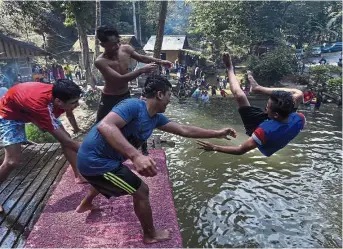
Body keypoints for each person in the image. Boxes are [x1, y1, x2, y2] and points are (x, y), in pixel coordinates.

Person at [76, 75, 236, 243]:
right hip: (95, 162)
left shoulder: (156, 118)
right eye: (169, 95)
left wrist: (218, 132)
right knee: (142, 191)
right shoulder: (133, 106)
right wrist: (136, 156)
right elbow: (105, 125)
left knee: (114, 178)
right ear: (160, 94)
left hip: (104, 162)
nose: (170, 100)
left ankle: (86, 202)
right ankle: (150, 235)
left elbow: (184, 130)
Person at [0, 79, 86, 213]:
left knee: (67, 138)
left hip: (27, 107)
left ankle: (79, 175)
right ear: (58, 102)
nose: (77, 105)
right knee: (11, 162)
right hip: (9, 114)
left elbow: (69, 111)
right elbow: (67, 142)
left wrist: (76, 128)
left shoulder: (60, 93)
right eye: (74, 103)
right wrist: (98, 156)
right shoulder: (41, 106)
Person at [197, 52, 305, 157]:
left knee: (239, 96)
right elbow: (293, 100)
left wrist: (214, 147)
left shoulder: (263, 131)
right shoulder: (299, 118)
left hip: (260, 127)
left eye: (267, 107)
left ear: (275, 115)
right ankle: (258, 89)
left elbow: (240, 150)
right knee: (299, 94)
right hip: (279, 120)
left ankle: (229, 67)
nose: (265, 108)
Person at [94, 25, 172, 123]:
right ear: (103, 45)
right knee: (100, 123)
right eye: (113, 44)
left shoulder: (126, 49)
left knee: (128, 122)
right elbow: (119, 79)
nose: (117, 46)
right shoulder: (100, 61)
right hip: (109, 97)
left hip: (125, 94)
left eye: (118, 42)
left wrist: (160, 61)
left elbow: (142, 58)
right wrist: (141, 70)